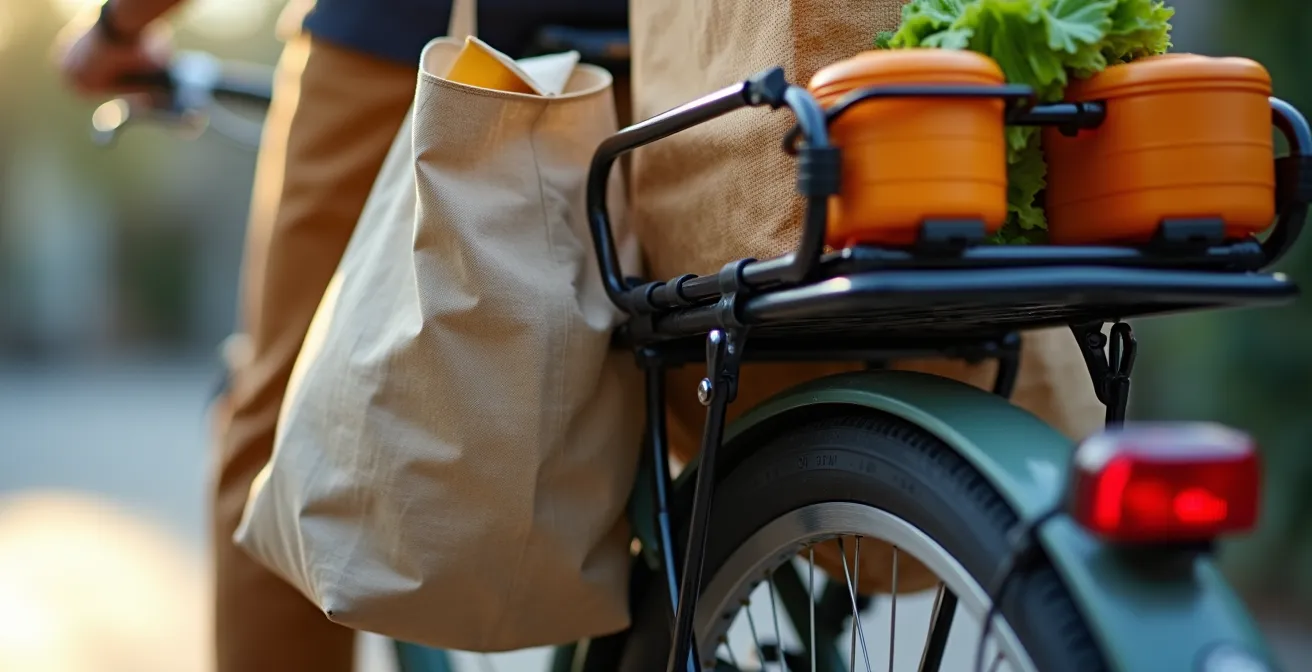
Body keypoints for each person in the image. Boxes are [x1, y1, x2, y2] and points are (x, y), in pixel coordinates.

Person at [55, 0, 626, 670]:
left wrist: (118, 28)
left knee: (282, 437)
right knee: (645, 350)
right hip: (653, 48)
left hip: (399, 35)